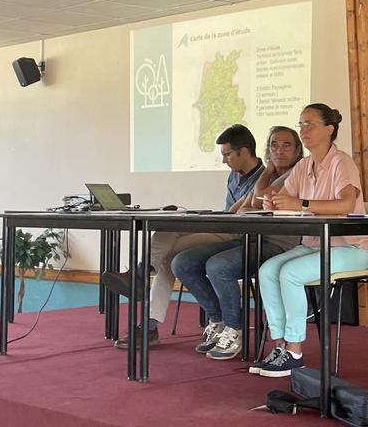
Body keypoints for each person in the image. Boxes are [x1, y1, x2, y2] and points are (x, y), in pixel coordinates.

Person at [101, 124, 264, 348]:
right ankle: (141, 274)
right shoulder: (233, 176)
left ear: (243, 151)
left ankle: (147, 315)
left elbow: (240, 214)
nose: (224, 160)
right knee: (167, 227)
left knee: (168, 257)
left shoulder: (265, 178)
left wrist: (226, 216)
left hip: (237, 236)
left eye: (227, 155)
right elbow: (229, 211)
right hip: (222, 225)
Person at [251, 103, 368, 378]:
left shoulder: (342, 162)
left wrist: (300, 203)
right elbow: (285, 199)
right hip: (314, 244)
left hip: (352, 248)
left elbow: (345, 204)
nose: (304, 130)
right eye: (301, 124)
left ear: (329, 129)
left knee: (291, 274)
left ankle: (294, 350)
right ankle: (280, 343)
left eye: (310, 124)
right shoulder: (304, 165)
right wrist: (275, 201)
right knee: (267, 270)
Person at [171, 126, 304, 359]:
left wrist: (266, 173)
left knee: (219, 266)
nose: (279, 151)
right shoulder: (270, 174)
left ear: (297, 151)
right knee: (183, 262)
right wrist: (268, 173)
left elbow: (261, 196)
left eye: (286, 145)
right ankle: (218, 320)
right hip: (249, 239)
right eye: (274, 145)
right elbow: (253, 200)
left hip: (277, 245)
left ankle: (235, 328)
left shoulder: (297, 172)